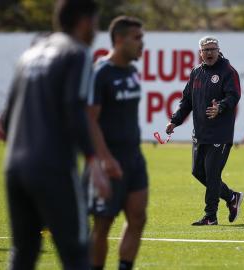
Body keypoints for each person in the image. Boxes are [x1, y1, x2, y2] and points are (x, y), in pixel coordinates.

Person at [1, 0, 111, 269]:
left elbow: (6, 120)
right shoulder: (77, 52)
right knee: (76, 254)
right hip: (53, 168)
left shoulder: (29, 54)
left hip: (14, 168)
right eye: (96, 22)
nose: (96, 30)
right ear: (84, 21)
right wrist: (94, 161)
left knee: (23, 253)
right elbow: (74, 108)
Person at [86, 16, 148, 270]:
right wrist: (104, 159)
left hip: (134, 158)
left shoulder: (132, 72)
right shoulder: (100, 73)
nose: (142, 44)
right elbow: (89, 121)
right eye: (137, 38)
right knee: (102, 225)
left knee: (137, 218)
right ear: (119, 40)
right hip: (108, 159)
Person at [166, 36, 243, 226]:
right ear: (200, 52)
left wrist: (221, 107)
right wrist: (174, 121)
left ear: (218, 50)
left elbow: (233, 95)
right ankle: (232, 197)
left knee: (212, 174)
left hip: (220, 133)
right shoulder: (196, 73)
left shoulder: (228, 71)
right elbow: (186, 101)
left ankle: (210, 216)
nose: (209, 53)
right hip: (200, 132)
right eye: (205, 50)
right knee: (198, 172)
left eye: (212, 49)